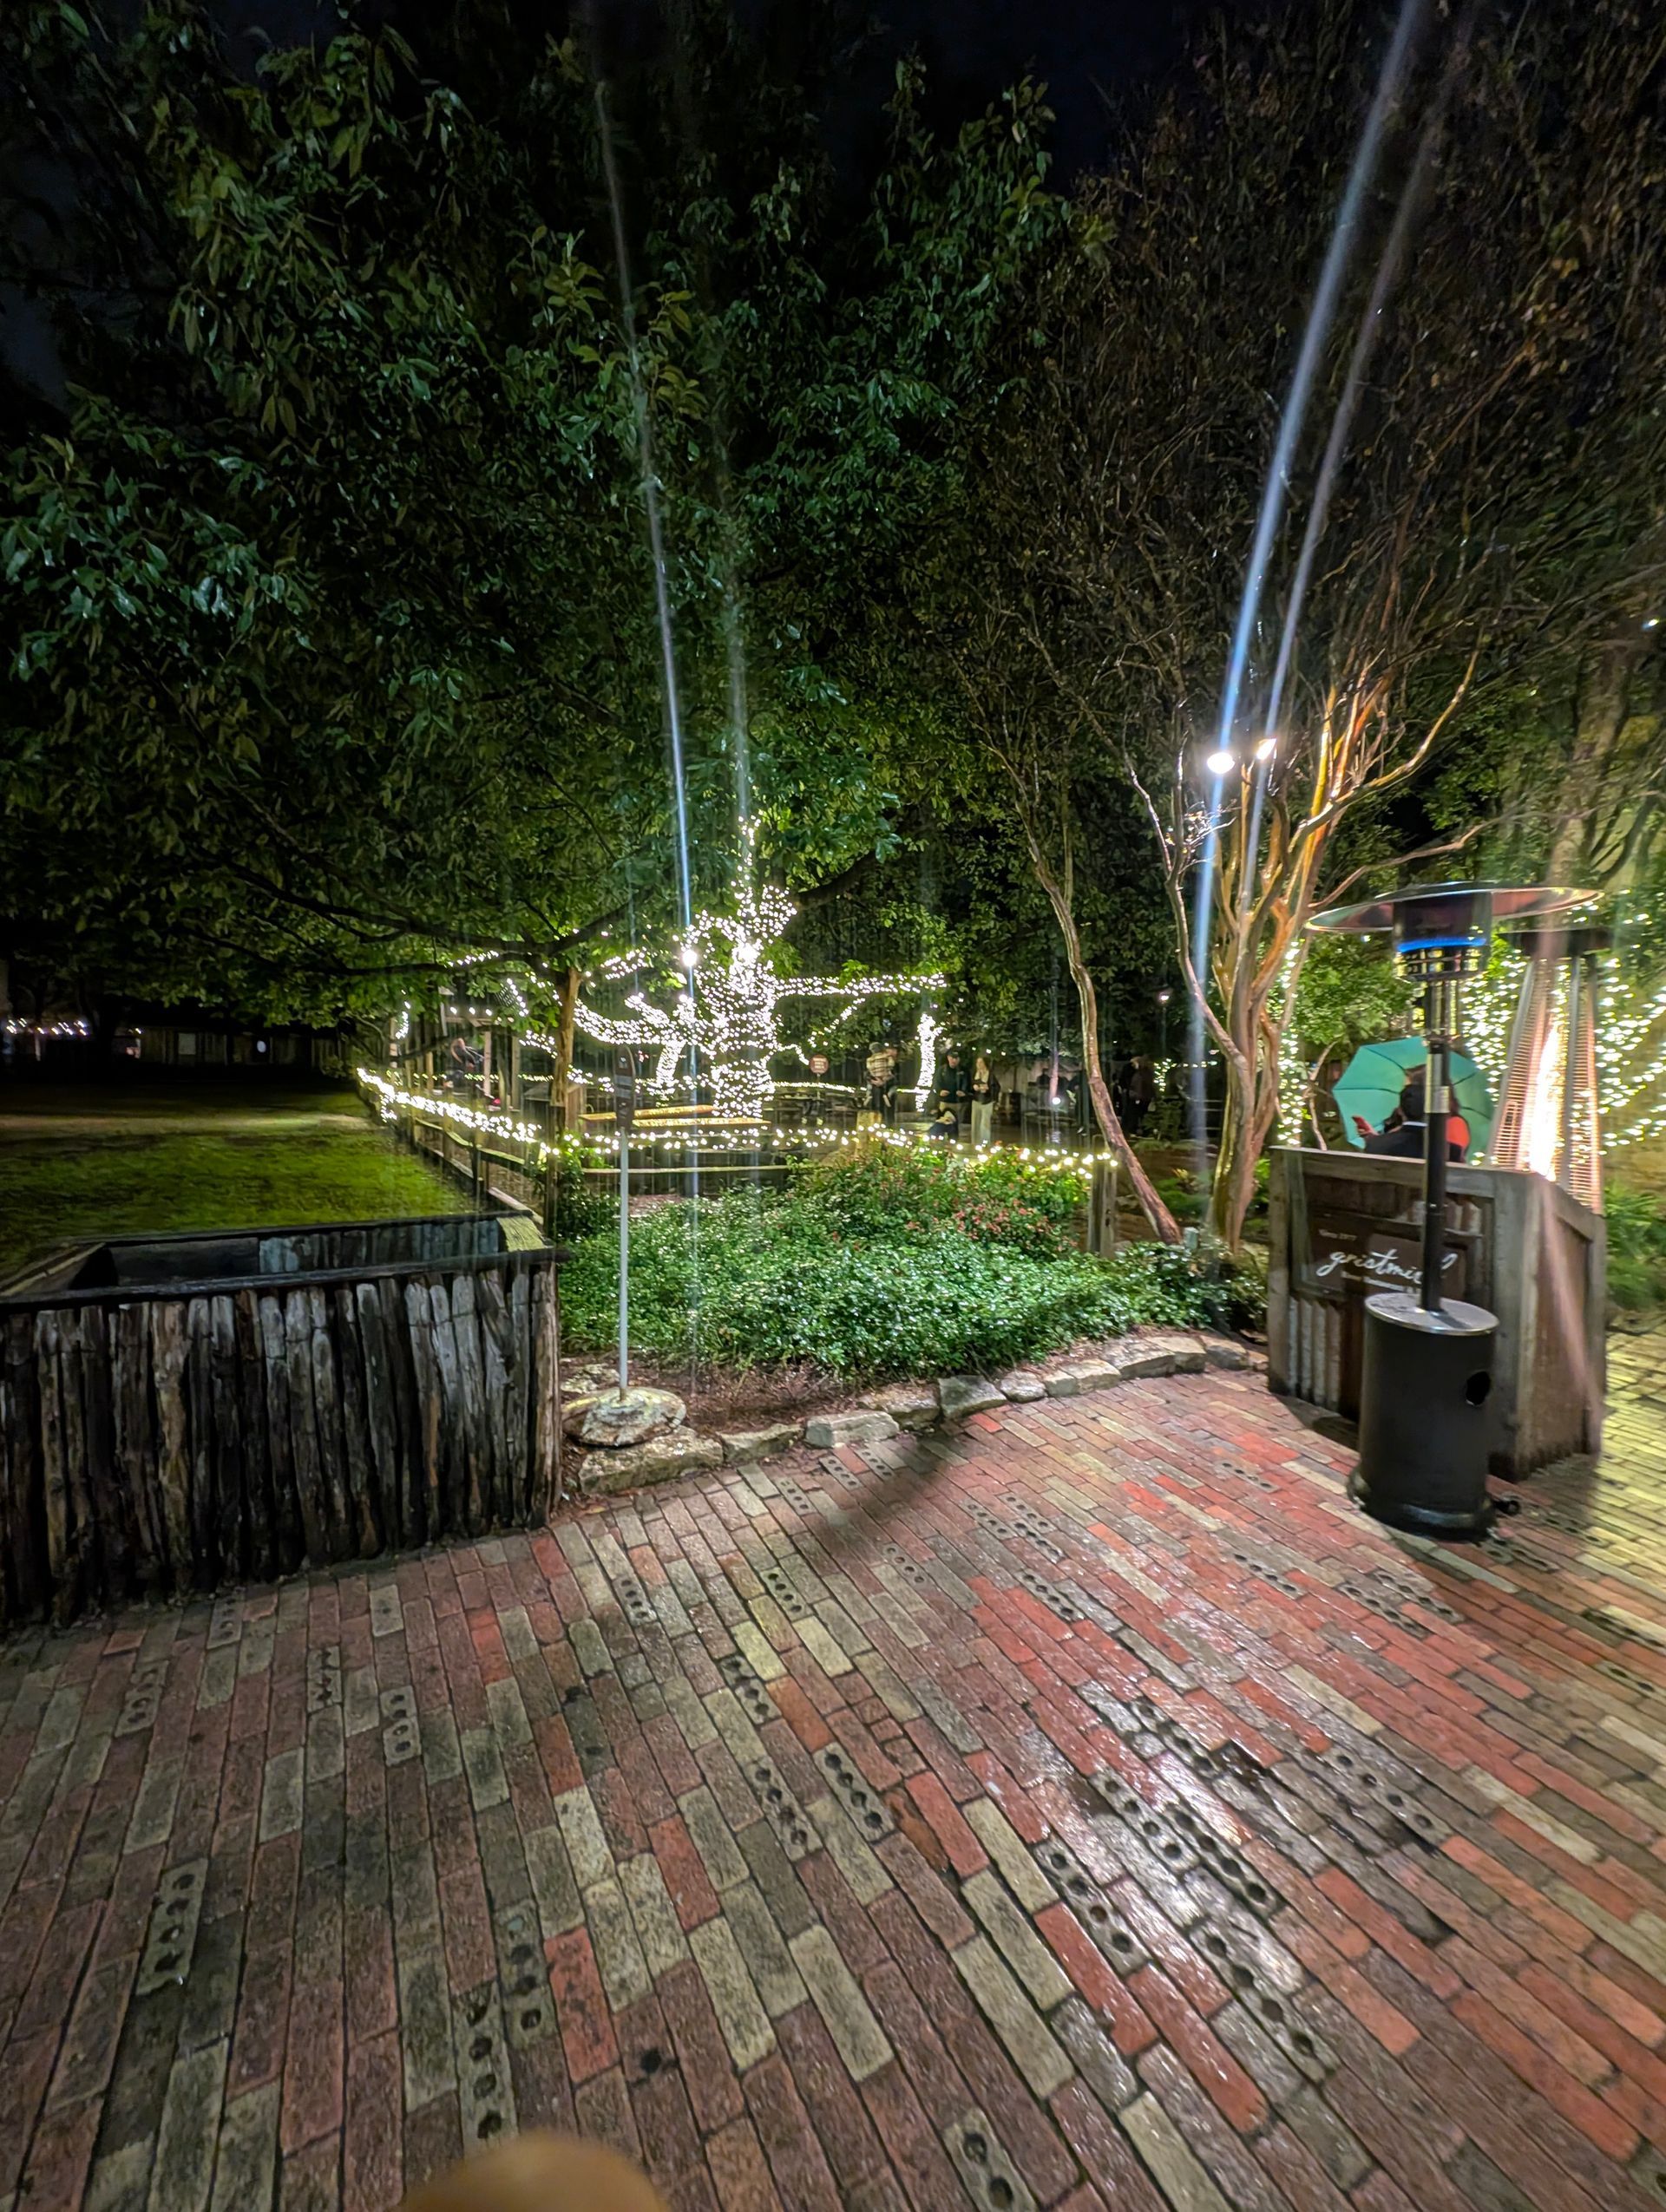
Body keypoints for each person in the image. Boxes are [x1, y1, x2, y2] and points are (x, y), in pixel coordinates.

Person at [1361, 1076, 1466, 1161]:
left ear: (1400, 1111)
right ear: (1430, 1110)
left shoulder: (1374, 1145)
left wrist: (1375, 1139)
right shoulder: (1450, 1151)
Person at [968, 1053, 998, 1147]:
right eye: (977, 1062)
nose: (979, 1064)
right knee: (975, 1124)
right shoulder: (975, 1074)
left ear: (985, 1063)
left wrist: (988, 1089)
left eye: (981, 1062)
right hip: (976, 1101)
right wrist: (974, 1087)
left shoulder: (990, 1075)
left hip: (986, 1102)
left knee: (984, 1125)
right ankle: (975, 1144)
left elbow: (996, 1087)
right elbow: (969, 1086)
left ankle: (985, 1144)